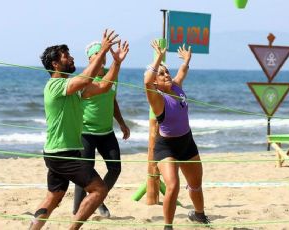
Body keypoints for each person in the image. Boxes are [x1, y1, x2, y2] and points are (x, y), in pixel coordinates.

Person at [30, 29, 129, 230]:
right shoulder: (55, 85)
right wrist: (102, 51)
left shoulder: (72, 87)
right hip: (63, 153)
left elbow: (102, 87)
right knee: (99, 190)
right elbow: (85, 78)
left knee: (53, 197)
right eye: (66, 56)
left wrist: (116, 63)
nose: (72, 58)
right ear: (55, 64)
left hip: (60, 152)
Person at [144, 40, 210, 229]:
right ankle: (168, 226)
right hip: (167, 147)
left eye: (167, 72)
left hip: (187, 142)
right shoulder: (156, 98)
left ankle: (199, 215)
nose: (166, 75)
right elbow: (147, 81)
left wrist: (186, 61)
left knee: (196, 184)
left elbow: (181, 73)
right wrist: (157, 59)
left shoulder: (176, 86)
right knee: (173, 185)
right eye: (162, 74)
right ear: (156, 81)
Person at [73, 41, 130, 217]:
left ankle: (97, 199)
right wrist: (117, 63)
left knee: (115, 169)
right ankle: (77, 211)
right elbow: (103, 86)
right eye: (96, 55)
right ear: (90, 59)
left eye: (102, 55)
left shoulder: (112, 74)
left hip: (106, 132)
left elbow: (112, 99)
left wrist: (121, 122)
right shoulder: (84, 79)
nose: (100, 58)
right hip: (86, 133)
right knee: (84, 174)